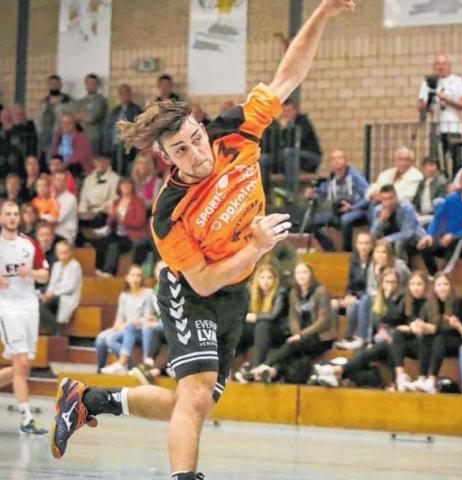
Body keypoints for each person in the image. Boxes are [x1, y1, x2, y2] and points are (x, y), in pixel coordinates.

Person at [51, 3, 357, 479]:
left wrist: (322, 12)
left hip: (235, 290)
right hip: (191, 291)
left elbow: (288, 76)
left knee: (188, 401)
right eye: (181, 149)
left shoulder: (234, 131)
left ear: (200, 125)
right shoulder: (169, 212)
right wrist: (255, 247)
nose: (197, 154)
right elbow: (203, 281)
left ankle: (87, 399)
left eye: (196, 138)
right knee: (194, 397)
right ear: (165, 157)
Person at [0, 201, 49, 434]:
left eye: (15, 213)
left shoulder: (30, 244)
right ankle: (27, 418)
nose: (12, 217)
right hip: (6, 307)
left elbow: (45, 275)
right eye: (8, 214)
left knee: (23, 367)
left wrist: (31, 272)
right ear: (1, 217)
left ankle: (26, 418)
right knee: (20, 362)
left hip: (29, 306)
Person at [313, 268, 406, 390]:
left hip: (394, 346)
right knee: (360, 355)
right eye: (387, 282)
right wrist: (369, 342)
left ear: (398, 284)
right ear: (381, 283)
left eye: (393, 282)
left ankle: (337, 371)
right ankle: (340, 376)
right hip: (377, 342)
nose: (390, 285)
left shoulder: (402, 300)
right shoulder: (377, 301)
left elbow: (396, 317)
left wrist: (388, 299)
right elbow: (374, 326)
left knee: (377, 348)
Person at [251, 262, 336, 384]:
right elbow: (293, 318)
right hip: (301, 336)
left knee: (291, 346)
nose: (301, 275)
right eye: (298, 273)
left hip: (320, 337)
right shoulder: (294, 293)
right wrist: (296, 333)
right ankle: (271, 371)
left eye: (304, 272)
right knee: (289, 350)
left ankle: (261, 367)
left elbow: (324, 322)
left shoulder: (321, 291)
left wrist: (301, 335)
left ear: (311, 275)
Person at [338, 240, 411, 350]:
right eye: (377, 252)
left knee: (366, 301)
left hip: (398, 299)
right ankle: (350, 338)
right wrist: (377, 276)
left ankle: (363, 339)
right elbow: (370, 289)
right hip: (379, 297)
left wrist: (387, 292)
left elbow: (409, 283)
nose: (380, 255)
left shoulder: (399, 266)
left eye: (383, 252)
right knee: (354, 305)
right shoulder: (373, 266)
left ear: (389, 254)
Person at [417, 168, 462, 275]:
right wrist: (430, 235)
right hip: (447, 237)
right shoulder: (451, 199)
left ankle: (444, 274)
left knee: (457, 241)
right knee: (424, 244)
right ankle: (435, 275)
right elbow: (438, 218)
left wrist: (454, 235)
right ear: (461, 182)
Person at [412, 272, 462, 394]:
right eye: (438, 285)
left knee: (439, 337)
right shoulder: (429, 303)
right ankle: (421, 378)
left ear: (451, 285)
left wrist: (434, 329)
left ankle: (431, 380)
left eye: (445, 284)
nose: (442, 288)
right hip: (437, 342)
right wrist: (419, 326)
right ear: (434, 287)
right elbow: (421, 321)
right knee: (427, 338)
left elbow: (456, 327)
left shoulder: (459, 301)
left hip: (456, 340)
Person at [418, 53, 462, 176]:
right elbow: (421, 107)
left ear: (449, 66)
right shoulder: (428, 83)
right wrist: (426, 103)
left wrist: (448, 100)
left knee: (456, 159)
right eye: (438, 64)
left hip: (453, 127)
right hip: (434, 127)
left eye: (444, 64)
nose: (441, 67)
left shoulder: (457, 81)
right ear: (434, 67)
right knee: (435, 160)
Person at [304, 149, 369, 251]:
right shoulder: (331, 178)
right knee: (311, 222)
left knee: (345, 220)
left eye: (339, 158)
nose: (336, 161)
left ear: (346, 161)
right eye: (333, 159)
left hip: (355, 210)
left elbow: (368, 196)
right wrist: (312, 195)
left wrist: (353, 207)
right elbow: (322, 194)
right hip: (337, 211)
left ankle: (347, 251)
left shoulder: (355, 176)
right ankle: (330, 249)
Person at [234, 264, 290, 383]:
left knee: (262, 324)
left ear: (275, 280)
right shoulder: (253, 293)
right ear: (257, 279)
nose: (266, 281)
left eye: (269, 277)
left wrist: (256, 317)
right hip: (259, 329)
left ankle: (256, 366)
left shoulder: (280, 292)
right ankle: (228, 362)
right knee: (240, 327)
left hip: (277, 330)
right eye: (262, 277)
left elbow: (274, 316)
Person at [99, 265, 154, 374]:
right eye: (132, 275)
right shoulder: (124, 295)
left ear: (142, 278)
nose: (135, 278)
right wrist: (117, 326)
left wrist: (127, 324)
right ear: (127, 278)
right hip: (126, 327)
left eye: (138, 275)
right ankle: (100, 370)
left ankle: (128, 365)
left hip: (139, 330)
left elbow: (147, 318)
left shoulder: (148, 293)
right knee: (101, 338)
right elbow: (120, 317)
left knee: (110, 339)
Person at [265, 98, 323, 193]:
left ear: (296, 111)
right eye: (283, 111)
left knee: (289, 152)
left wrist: (285, 129)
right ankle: (264, 194)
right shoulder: (276, 125)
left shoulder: (303, 122)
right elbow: (273, 145)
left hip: (310, 157)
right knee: (264, 159)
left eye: (289, 111)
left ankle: (290, 192)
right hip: (287, 158)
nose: (286, 114)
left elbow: (296, 142)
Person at [93, 177, 148, 277]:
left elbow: (140, 222)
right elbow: (111, 224)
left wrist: (122, 219)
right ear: (119, 187)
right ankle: (99, 269)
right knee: (100, 242)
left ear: (132, 187)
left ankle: (109, 272)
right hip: (117, 233)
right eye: (123, 184)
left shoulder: (138, 202)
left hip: (131, 236)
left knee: (114, 244)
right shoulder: (116, 202)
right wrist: (111, 216)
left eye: (128, 184)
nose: (126, 187)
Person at [391, 271, 430, 392]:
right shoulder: (405, 300)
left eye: (419, 284)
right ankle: (400, 376)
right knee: (397, 334)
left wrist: (417, 328)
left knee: (425, 339)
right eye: (412, 284)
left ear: (426, 286)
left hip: (426, 346)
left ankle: (422, 379)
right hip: (409, 345)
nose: (415, 288)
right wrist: (409, 328)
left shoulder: (431, 302)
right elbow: (393, 321)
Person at [334, 232, 374, 349]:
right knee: (336, 303)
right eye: (361, 243)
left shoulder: (374, 261)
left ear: (372, 245)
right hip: (357, 296)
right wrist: (348, 295)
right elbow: (351, 283)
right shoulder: (354, 260)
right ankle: (342, 338)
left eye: (367, 243)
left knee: (354, 305)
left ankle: (354, 338)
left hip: (369, 297)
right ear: (356, 245)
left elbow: (371, 286)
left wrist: (356, 297)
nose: (364, 246)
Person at [371, 184, 426, 260]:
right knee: (368, 243)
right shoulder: (378, 210)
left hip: (413, 238)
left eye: (390, 198)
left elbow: (407, 233)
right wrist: (381, 220)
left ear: (396, 197)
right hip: (390, 238)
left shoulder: (407, 208)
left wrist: (387, 240)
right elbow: (373, 235)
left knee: (399, 243)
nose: (388, 202)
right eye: (384, 199)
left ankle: (401, 265)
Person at [39, 241, 82, 334]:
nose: (63, 256)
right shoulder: (56, 265)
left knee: (41, 307)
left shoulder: (75, 266)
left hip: (66, 295)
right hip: (54, 294)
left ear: (70, 252)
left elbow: (70, 287)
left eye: (65, 253)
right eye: (60, 253)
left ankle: (57, 330)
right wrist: (48, 293)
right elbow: (52, 283)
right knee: (37, 303)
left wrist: (53, 294)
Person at [77, 156, 120, 242]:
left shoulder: (116, 179)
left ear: (109, 162)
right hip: (88, 213)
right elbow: (83, 198)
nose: (100, 164)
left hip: (104, 213)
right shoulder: (88, 179)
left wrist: (95, 212)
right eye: (98, 161)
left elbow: (113, 199)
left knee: (98, 219)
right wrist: (82, 212)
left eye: (103, 161)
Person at [103, 83, 143, 175]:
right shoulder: (114, 111)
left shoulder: (136, 110)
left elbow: (139, 130)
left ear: (131, 94)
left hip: (128, 148)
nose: (124, 94)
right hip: (113, 147)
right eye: (121, 92)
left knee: (126, 172)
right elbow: (107, 131)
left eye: (126, 92)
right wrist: (106, 149)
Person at [37, 74, 73, 160]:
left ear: (60, 85)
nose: (53, 86)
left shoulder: (68, 100)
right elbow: (39, 119)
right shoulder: (44, 102)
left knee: (63, 159)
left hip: (63, 136)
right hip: (45, 136)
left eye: (56, 84)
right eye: (51, 84)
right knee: (46, 158)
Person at [49, 114, 93, 178]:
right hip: (61, 169)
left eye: (69, 123)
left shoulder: (81, 137)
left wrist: (64, 162)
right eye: (63, 123)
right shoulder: (58, 136)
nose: (66, 125)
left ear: (74, 125)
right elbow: (53, 151)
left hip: (78, 170)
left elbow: (80, 156)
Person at [74, 73, 108, 154]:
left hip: (93, 138)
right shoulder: (81, 101)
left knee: (93, 159)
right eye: (89, 83)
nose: (91, 85)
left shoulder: (100, 100)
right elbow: (74, 117)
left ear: (97, 85)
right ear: (85, 84)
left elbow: (92, 118)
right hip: (80, 137)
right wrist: (83, 116)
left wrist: (80, 116)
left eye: (93, 83)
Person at [412, 158, 447, 226]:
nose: (429, 169)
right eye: (427, 166)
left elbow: (440, 204)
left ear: (437, 168)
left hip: (433, 215)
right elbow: (416, 201)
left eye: (432, 166)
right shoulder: (422, 182)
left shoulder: (441, 183)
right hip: (420, 214)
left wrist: (426, 214)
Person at [52, 170, 78, 244]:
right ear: (54, 181)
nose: (61, 183)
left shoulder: (71, 198)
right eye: (58, 180)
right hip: (52, 234)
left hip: (65, 235)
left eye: (64, 180)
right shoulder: (51, 196)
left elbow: (57, 219)